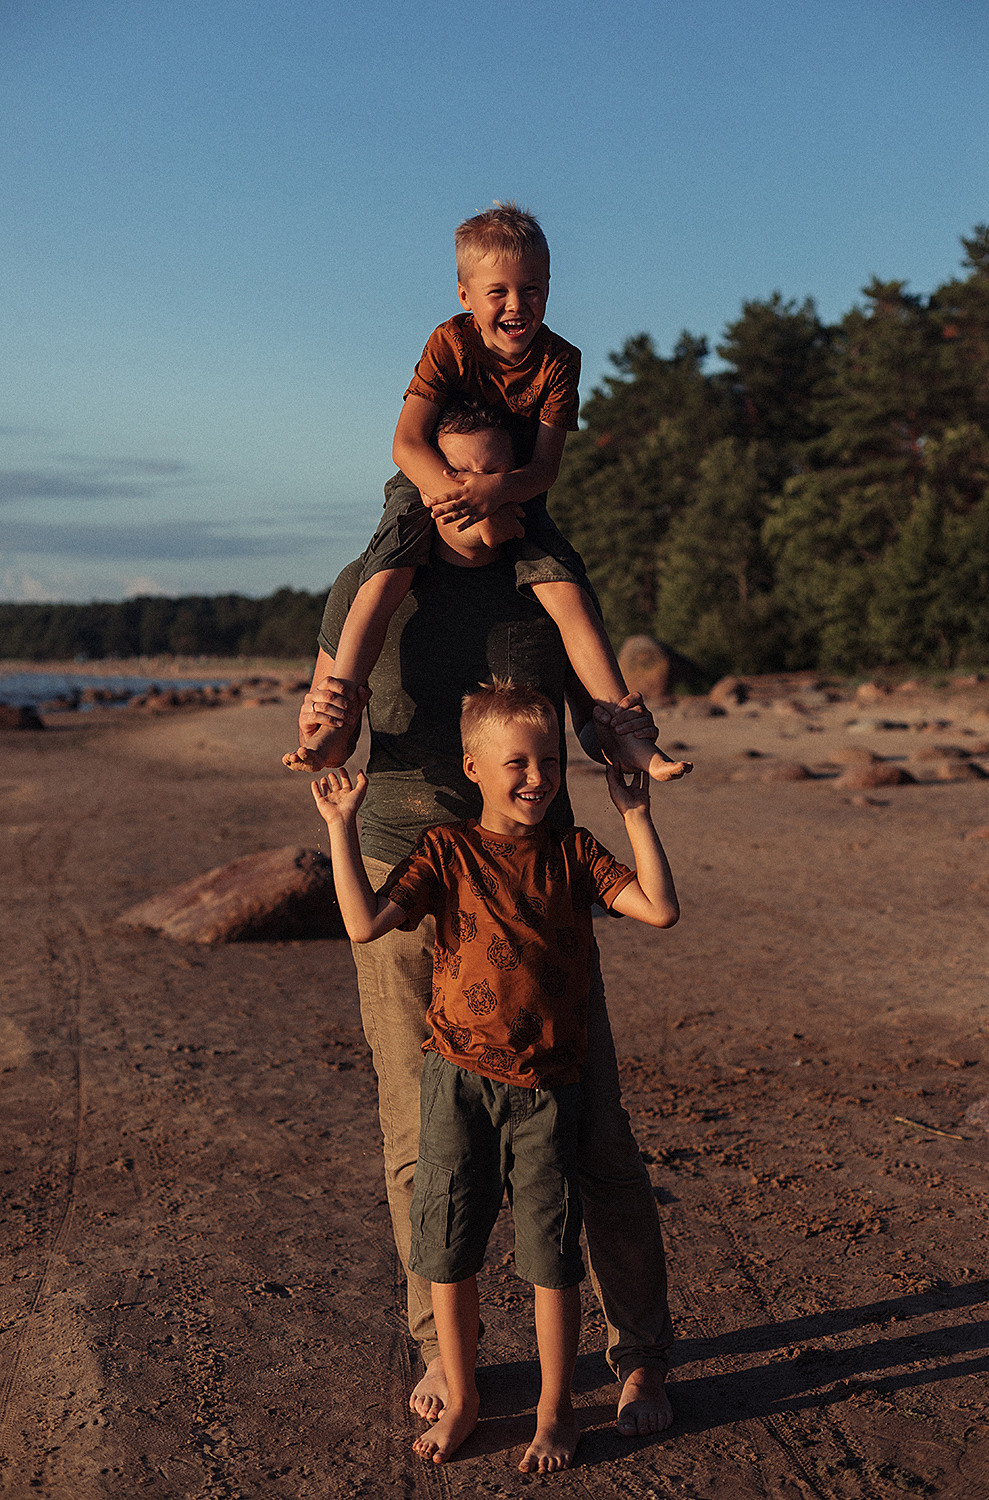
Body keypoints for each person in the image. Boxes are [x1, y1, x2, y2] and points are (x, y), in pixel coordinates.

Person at [287, 405, 685, 1438]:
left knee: (596, 1134)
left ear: (517, 482)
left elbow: (600, 712)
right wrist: (321, 738)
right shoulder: (372, 586)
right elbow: (329, 707)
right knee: (422, 1135)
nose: (466, 495)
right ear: (422, 482)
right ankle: (441, 1352)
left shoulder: (539, 579)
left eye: (488, 477)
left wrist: (638, 752)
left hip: (536, 886)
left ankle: (639, 1354)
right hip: (407, 864)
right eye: (447, 475)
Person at [311, 681, 681, 1470]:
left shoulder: (573, 853)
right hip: (456, 1083)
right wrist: (342, 828)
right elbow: (363, 923)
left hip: (551, 1088)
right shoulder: (445, 851)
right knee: (448, 1249)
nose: (537, 777)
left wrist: (635, 813)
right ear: (473, 768)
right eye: (516, 762)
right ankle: (468, 1392)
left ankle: (556, 1412)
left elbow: (658, 908)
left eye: (549, 761)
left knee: (551, 1258)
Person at [303, 201, 684, 784]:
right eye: (497, 291)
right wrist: (456, 497)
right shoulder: (449, 344)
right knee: (383, 574)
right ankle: (335, 712)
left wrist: (495, 496)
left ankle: (623, 732)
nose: (515, 305)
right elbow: (406, 444)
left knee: (566, 585)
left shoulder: (561, 361)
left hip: (514, 484)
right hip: (431, 476)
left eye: (531, 289)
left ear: (550, 287)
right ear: (465, 295)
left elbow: (546, 468)